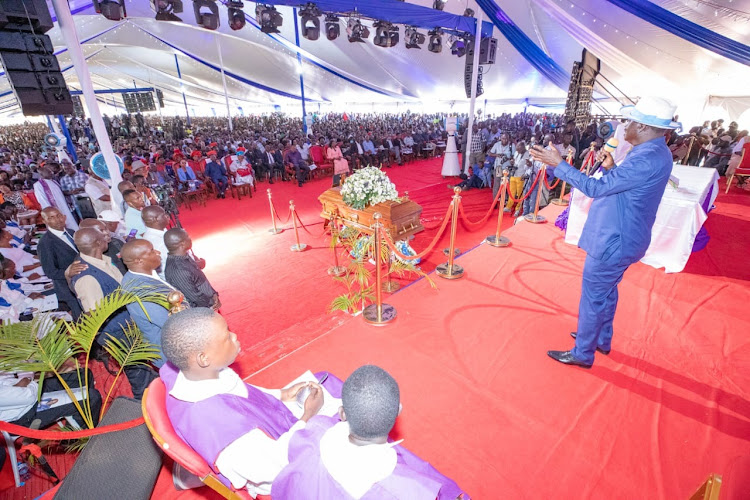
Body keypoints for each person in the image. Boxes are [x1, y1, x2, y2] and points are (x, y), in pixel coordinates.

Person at [529, 96, 679, 368]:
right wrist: (613, 168)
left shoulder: (647, 157)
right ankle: (600, 339)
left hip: (614, 240)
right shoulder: (653, 151)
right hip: (624, 235)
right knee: (606, 292)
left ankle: (583, 352)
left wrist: (558, 164)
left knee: (594, 297)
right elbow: (628, 186)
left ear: (644, 127)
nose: (624, 127)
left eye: (630, 122)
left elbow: (595, 189)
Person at [159, 308, 326, 496]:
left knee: (327, 384)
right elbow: (274, 464)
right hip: (281, 472)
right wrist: (308, 416)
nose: (235, 335)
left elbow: (238, 392)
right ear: (204, 358)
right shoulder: (219, 428)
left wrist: (282, 394)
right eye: (227, 336)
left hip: (267, 432)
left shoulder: (192, 373)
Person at [273, 365, 468, 500]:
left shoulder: (315, 428)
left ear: (341, 413)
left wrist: (308, 413)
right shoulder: (409, 489)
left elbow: (281, 451)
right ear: (397, 413)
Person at [69, 228, 156, 398]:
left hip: (128, 326)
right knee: (137, 375)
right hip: (118, 333)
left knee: (143, 368)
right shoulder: (87, 277)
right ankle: (146, 409)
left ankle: (154, 392)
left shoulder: (102, 262)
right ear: (98, 243)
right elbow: (95, 316)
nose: (107, 237)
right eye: (103, 236)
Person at [120, 239, 175, 367]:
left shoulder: (143, 274)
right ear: (139, 261)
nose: (157, 252)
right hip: (172, 352)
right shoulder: (139, 290)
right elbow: (169, 321)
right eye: (151, 251)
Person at [37, 207, 82, 319]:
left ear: (64, 216)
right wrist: (70, 272)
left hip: (84, 282)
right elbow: (50, 272)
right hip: (69, 290)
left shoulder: (72, 233)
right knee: (83, 322)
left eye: (58, 215)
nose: (57, 219)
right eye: (51, 217)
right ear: (44, 221)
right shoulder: (46, 243)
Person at [164, 228, 220, 309]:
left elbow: (200, 279)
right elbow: (195, 297)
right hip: (202, 310)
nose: (190, 238)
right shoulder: (178, 270)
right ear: (182, 244)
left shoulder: (183, 256)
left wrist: (214, 294)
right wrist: (212, 303)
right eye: (188, 237)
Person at [33, 166, 78, 231]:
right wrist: (50, 213)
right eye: (49, 172)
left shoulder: (53, 181)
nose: (52, 172)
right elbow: (42, 200)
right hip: (54, 211)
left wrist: (70, 192)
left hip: (64, 208)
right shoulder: (38, 185)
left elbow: (60, 194)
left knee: (71, 224)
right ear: (41, 174)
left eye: (51, 171)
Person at [141, 205, 170, 279]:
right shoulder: (156, 242)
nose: (167, 216)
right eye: (163, 215)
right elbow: (171, 265)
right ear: (155, 219)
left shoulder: (160, 230)